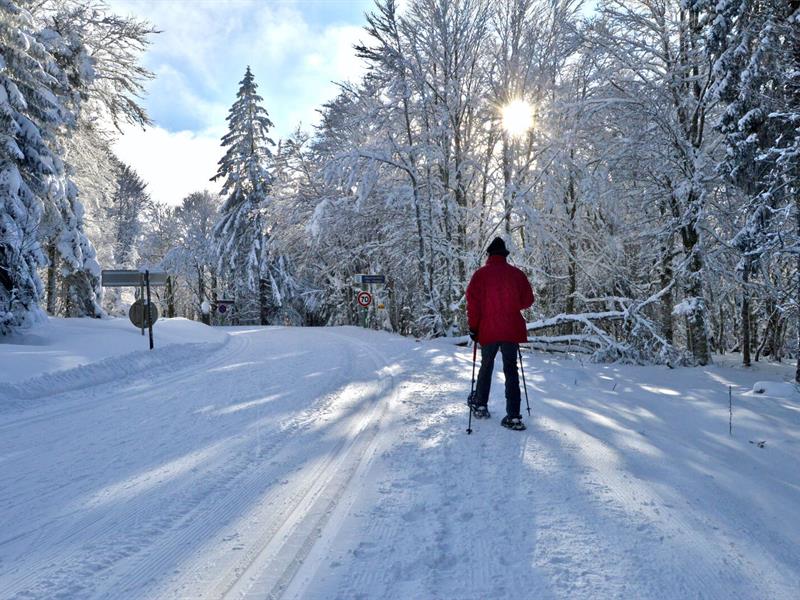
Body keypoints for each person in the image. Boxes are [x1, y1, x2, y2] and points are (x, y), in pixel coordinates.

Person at [466, 237, 535, 431]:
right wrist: (512, 304)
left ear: (489, 255)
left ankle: (480, 405)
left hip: (488, 329)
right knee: (511, 370)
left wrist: (473, 328)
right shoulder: (516, 274)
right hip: (511, 329)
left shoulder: (480, 275)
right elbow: (528, 300)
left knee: (486, 366)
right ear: (504, 255)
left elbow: (473, 304)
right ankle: (513, 416)